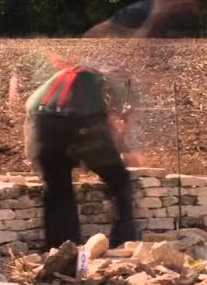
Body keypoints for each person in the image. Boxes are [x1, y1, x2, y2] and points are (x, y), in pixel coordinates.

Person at [24, 63, 139, 249]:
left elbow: (29, 114)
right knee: (119, 179)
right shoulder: (98, 82)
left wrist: (32, 154)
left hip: (40, 125)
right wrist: (123, 151)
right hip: (80, 121)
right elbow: (105, 121)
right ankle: (124, 241)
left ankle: (62, 248)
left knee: (57, 189)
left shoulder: (59, 79)